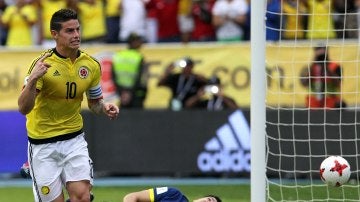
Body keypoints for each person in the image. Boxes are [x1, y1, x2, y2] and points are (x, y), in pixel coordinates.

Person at [18, 8, 119, 202]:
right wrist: (32, 80)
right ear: (55, 34)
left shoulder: (91, 65)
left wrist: (104, 107)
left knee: (82, 197)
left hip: (74, 141)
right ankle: (32, 167)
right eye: (69, 31)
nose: (76, 35)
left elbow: (95, 103)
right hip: (43, 145)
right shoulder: (42, 64)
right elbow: (24, 108)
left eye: (77, 30)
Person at [112, 32, 148, 108]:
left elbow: (113, 76)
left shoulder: (118, 55)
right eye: (139, 41)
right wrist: (130, 93)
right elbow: (141, 78)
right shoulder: (138, 57)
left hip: (122, 95)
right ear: (133, 42)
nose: (141, 43)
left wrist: (121, 92)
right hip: (136, 95)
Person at [123, 186, 222, 202]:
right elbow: (131, 197)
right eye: (209, 199)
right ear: (198, 198)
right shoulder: (173, 194)